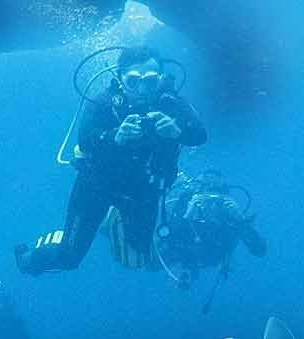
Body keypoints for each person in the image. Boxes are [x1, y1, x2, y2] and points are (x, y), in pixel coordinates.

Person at [15, 46, 207, 275]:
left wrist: (177, 131)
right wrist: (114, 136)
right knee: (68, 257)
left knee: (138, 259)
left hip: (143, 190)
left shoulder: (172, 103)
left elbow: (200, 135)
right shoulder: (104, 101)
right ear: (120, 78)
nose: (142, 90)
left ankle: (109, 221)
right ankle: (27, 259)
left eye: (150, 81)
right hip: (97, 185)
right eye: (133, 81)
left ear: (161, 78)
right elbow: (85, 141)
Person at [152, 170, 266, 287]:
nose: (210, 204)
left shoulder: (228, 218)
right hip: (185, 255)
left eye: (216, 200)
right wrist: (186, 217)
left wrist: (240, 221)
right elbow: (153, 264)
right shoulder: (186, 211)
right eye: (206, 199)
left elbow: (260, 250)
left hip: (213, 257)